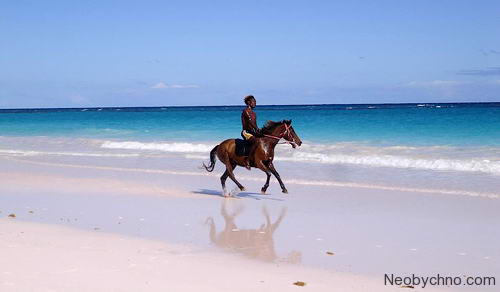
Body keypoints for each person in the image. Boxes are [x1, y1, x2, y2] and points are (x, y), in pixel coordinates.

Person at [241, 95, 261, 170]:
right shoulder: (245, 111)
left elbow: (255, 124)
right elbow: (250, 123)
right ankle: (247, 160)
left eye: (255, 102)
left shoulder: (254, 113)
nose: (255, 103)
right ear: (249, 102)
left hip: (253, 132)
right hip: (246, 132)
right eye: (254, 101)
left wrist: (259, 131)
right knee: (256, 142)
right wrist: (256, 129)